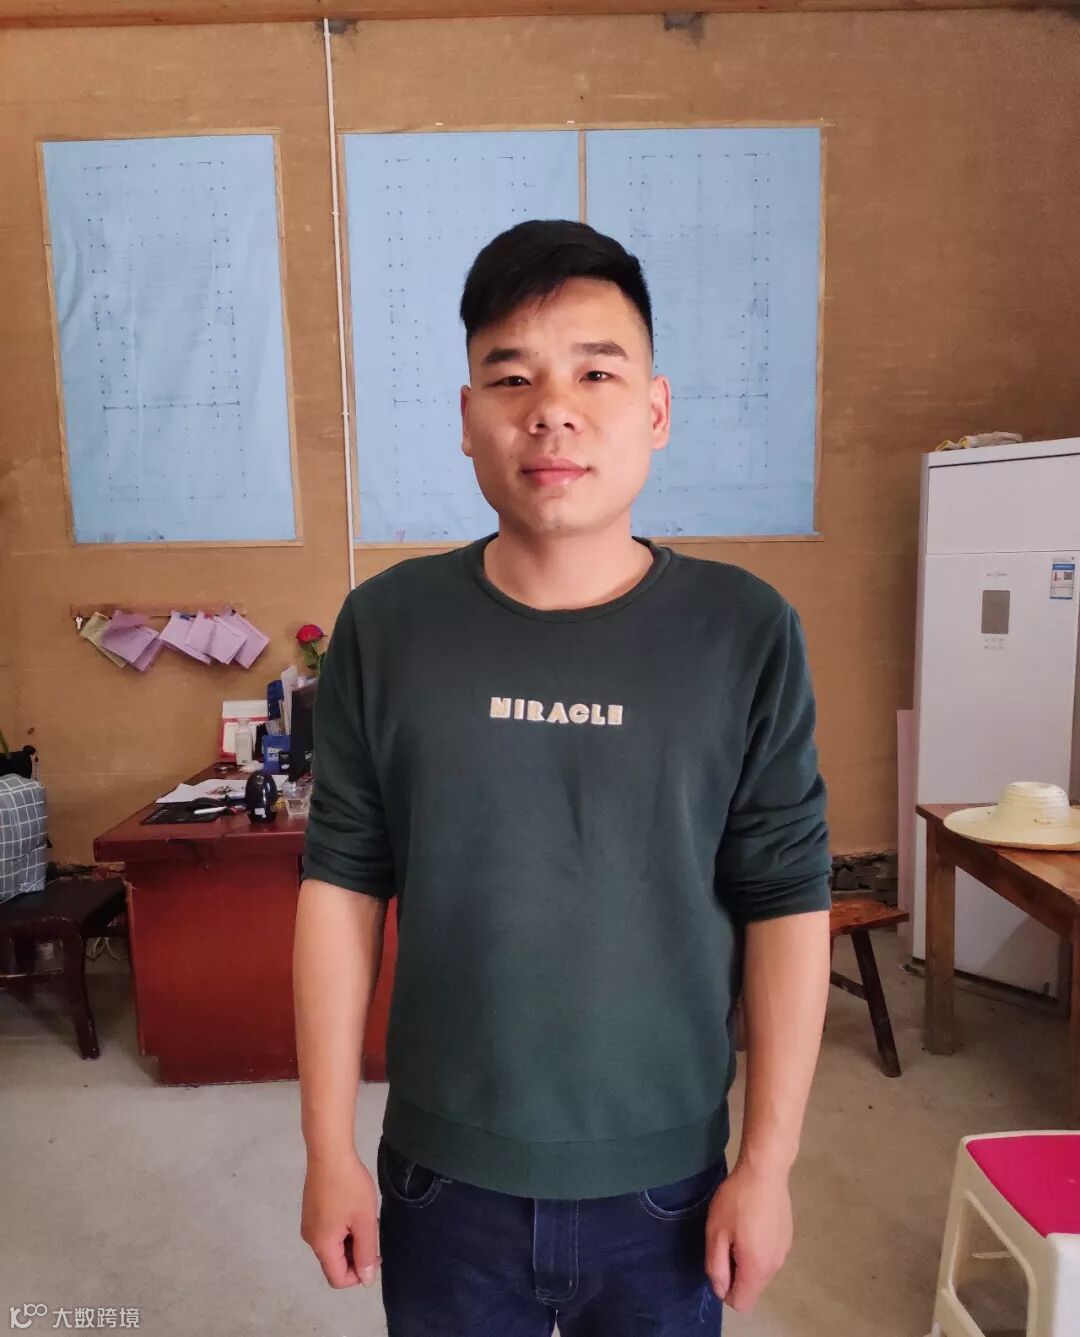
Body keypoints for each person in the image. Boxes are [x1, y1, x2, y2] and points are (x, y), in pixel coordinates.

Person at [294, 219, 832, 1336]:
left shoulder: (743, 630)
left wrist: (768, 1164)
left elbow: (786, 898)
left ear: (656, 409)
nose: (552, 410)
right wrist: (325, 1143)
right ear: (466, 418)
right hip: (441, 1177)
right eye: (512, 377)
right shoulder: (386, 626)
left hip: (668, 1182)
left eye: (596, 371)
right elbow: (340, 883)